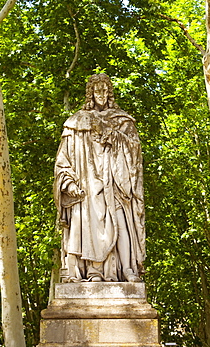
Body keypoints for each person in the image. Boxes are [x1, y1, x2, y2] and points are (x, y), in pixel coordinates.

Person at [54, 73, 145, 282]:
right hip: (87, 187)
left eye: (105, 90)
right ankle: (93, 271)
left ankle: (126, 269)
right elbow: (63, 159)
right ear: (90, 94)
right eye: (97, 91)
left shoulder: (122, 121)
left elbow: (134, 150)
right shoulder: (76, 122)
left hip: (115, 184)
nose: (101, 95)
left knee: (122, 223)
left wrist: (114, 136)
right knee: (87, 226)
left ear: (110, 93)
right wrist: (68, 182)